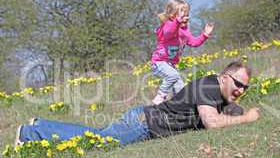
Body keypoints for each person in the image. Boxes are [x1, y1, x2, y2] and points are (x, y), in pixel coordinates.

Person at [15, 61, 260, 146]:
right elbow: (211, 123)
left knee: (97, 137)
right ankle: (31, 132)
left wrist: (236, 109)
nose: (241, 90)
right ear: (225, 77)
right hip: (142, 125)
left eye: (245, 88)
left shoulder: (215, 90)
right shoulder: (208, 87)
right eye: (238, 84)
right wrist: (245, 118)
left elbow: (220, 111)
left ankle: (39, 125)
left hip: (144, 121)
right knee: (97, 141)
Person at [151, 0, 214, 104]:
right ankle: (161, 96)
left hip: (171, 65)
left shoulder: (185, 31)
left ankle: (178, 109)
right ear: (172, 15)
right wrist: (177, 21)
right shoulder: (167, 26)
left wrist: (205, 35)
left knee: (181, 89)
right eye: (182, 15)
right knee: (173, 76)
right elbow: (170, 32)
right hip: (159, 63)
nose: (186, 18)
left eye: (187, 15)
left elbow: (194, 42)